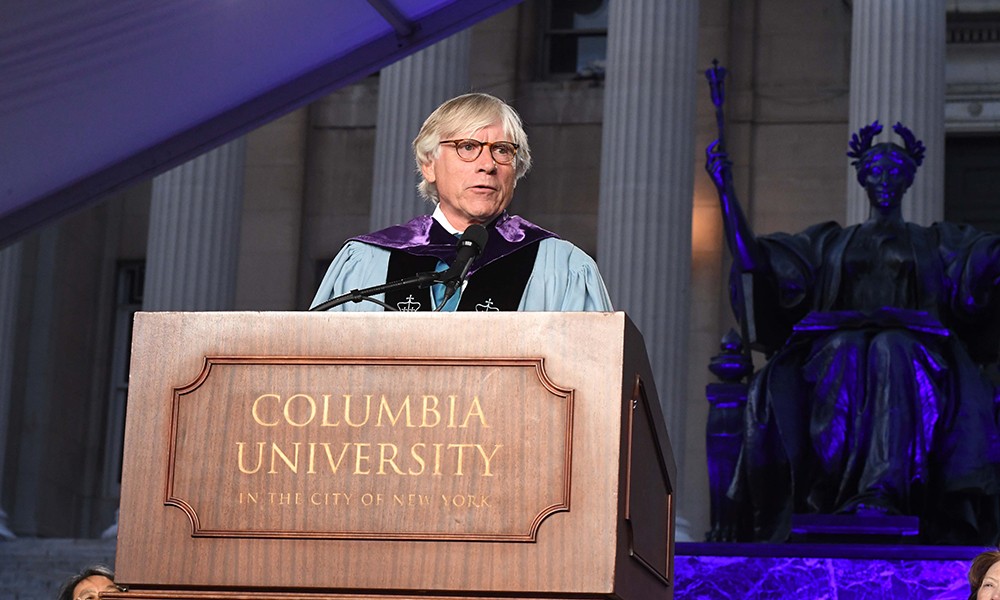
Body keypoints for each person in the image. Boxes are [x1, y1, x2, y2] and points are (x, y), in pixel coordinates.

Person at [705, 121, 1000, 544]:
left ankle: (882, 491)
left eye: (895, 170)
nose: (885, 179)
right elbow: (755, 260)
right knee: (845, 349)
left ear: (910, 178)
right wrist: (726, 193)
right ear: (862, 177)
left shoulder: (934, 241)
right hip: (835, 345)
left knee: (891, 349)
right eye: (876, 170)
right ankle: (829, 493)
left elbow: (981, 264)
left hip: (919, 352)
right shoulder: (830, 242)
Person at [311, 92, 612, 313]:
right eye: (468, 147)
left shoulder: (563, 268)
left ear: (516, 170)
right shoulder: (366, 262)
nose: (488, 165)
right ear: (429, 165)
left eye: (502, 150)